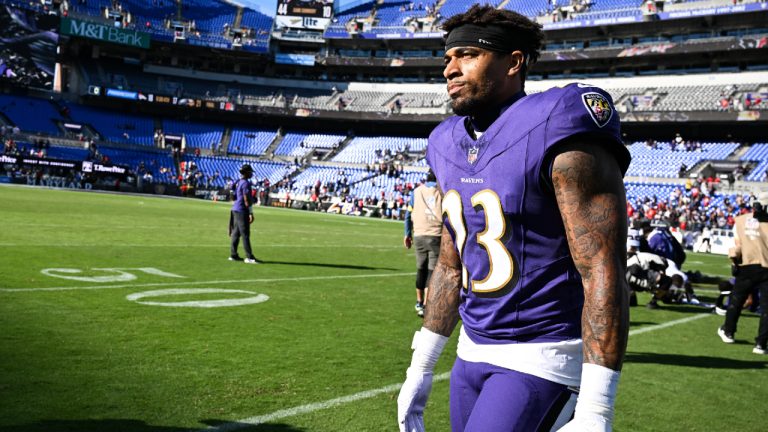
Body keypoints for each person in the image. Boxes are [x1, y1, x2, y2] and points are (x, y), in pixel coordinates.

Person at [396, 5, 631, 432]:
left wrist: (598, 407)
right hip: (471, 351)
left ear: (514, 62)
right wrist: (422, 366)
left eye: (466, 54)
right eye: (447, 57)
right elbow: (451, 267)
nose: (449, 69)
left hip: (541, 354)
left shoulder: (557, 120)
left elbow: (601, 264)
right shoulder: (445, 141)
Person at [718, 192, 768, 355]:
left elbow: (737, 245)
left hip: (746, 265)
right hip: (766, 268)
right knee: (766, 308)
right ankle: (761, 344)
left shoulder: (741, 220)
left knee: (736, 300)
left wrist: (734, 260)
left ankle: (728, 331)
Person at [404, 170, 443, 317]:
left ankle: (419, 302)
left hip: (419, 234)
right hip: (436, 235)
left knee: (421, 268)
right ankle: (427, 304)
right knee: (432, 272)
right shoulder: (441, 191)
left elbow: (408, 214)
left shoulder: (416, 191)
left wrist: (407, 234)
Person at [229, 164, 260, 264]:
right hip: (242, 210)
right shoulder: (246, 183)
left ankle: (233, 255)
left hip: (235, 209)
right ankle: (249, 257)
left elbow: (233, 195)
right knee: (245, 234)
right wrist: (250, 212)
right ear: (246, 173)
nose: (251, 174)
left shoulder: (239, 182)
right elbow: (246, 198)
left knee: (236, 233)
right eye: (250, 172)